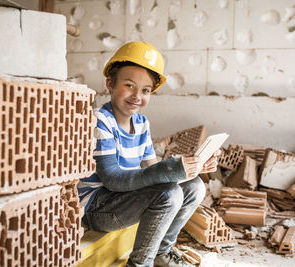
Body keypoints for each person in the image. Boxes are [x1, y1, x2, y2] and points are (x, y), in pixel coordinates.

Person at [78, 41, 220, 267]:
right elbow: (113, 179)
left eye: (145, 90)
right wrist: (168, 169)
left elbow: (151, 170)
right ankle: (139, 264)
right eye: (129, 85)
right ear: (110, 84)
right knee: (168, 195)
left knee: (194, 187)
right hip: (97, 208)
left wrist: (191, 169)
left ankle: (162, 252)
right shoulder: (100, 120)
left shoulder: (142, 124)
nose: (137, 95)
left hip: (122, 200)